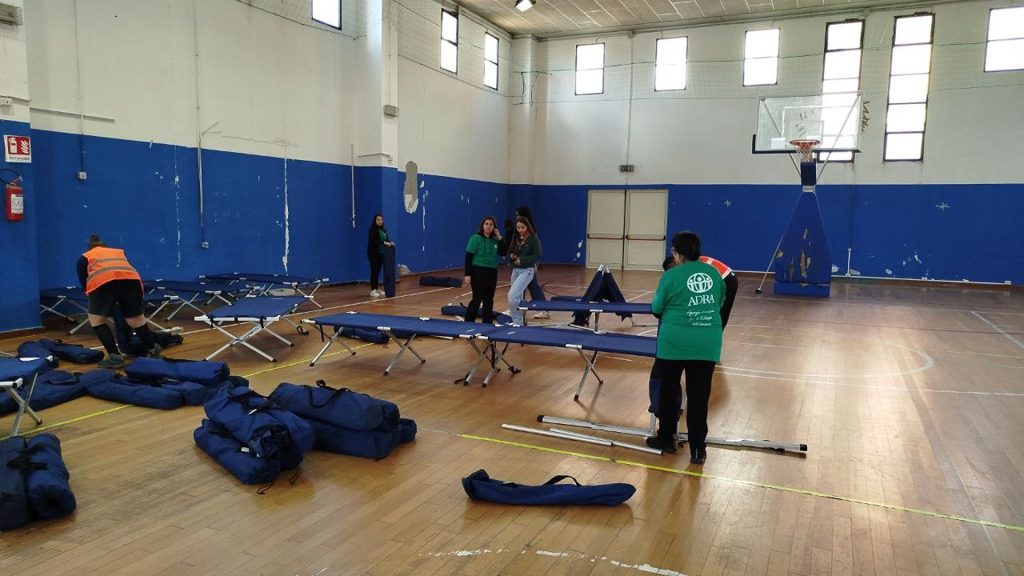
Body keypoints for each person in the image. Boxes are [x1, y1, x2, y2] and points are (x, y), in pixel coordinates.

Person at [647, 231, 724, 464]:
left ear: (677, 253)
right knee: (699, 397)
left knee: (669, 393)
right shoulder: (713, 273)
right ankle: (698, 449)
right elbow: (720, 302)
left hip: (674, 344)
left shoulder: (671, 275)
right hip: (706, 344)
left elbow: (656, 308)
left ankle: (666, 438)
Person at [76, 234, 161, 369]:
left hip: (103, 283)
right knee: (136, 321)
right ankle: (153, 349)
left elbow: (85, 284)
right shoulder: (119, 253)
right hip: (132, 282)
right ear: (105, 247)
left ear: (90, 248)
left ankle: (115, 357)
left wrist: (96, 301)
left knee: (97, 322)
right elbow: (127, 271)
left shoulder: (84, 258)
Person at [663, 254, 739, 328]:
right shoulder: (687, 264)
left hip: (726, 280)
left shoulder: (688, 266)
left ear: (672, 264)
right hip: (723, 278)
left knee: (720, 314)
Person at [508, 206, 549, 319]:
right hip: (518, 267)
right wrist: (511, 257)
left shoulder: (531, 233)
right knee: (519, 290)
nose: (516, 216)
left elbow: (536, 252)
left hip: (528, 267)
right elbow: (512, 249)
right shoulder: (517, 234)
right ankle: (518, 309)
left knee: (532, 286)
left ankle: (543, 309)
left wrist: (534, 263)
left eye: (518, 214)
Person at [462, 216, 506, 324]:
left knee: (489, 299)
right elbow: (469, 256)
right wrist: (467, 274)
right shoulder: (476, 238)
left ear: (494, 227)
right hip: (478, 272)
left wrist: (500, 238)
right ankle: (468, 322)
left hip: (492, 272)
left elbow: (503, 252)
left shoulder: (495, 240)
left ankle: (487, 322)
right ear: (482, 225)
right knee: (477, 298)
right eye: (486, 224)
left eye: (491, 224)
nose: (488, 226)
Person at [506, 216, 542, 325]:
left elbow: (537, 255)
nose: (520, 230)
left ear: (527, 227)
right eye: (518, 227)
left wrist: (521, 260)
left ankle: (518, 321)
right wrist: (511, 256)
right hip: (515, 270)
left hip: (527, 270)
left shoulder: (533, 238)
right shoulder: (515, 237)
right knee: (518, 296)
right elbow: (509, 252)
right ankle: (519, 320)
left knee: (512, 296)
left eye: (522, 227)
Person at [366, 214, 394, 298]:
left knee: (378, 271)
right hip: (374, 254)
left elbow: (386, 239)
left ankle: (376, 288)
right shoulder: (372, 230)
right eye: (378, 220)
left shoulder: (383, 230)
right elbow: (375, 241)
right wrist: (385, 243)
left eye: (381, 220)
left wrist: (390, 242)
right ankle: (373, 290)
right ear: (375, 221)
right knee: (374, 271)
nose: (380, 221)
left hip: (382, 254)